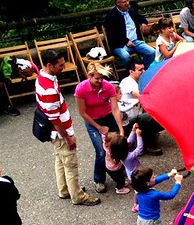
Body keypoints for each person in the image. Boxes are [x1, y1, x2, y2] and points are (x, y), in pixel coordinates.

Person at [36, 50, 100, 206]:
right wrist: (67, 136)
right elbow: (54, 119)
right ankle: (77, 196)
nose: (63, 67)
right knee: (70, 163)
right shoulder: (49, 89)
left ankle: (64, 189)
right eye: (60, 65)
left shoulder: (43, 78)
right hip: (60, 132)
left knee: (60, 160)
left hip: (54, 134)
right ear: (50, 65)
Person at [74, 64, 123, 194]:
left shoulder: (107, 86)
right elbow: (82, 113)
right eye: (97, 79)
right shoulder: (81, 89)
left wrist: (121, 129)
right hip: (92, 121)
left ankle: (119, 172)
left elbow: (115, 109)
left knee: (117, 145)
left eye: (102, 78)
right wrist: (99, 127)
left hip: (108, 117)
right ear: (89, 76)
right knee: (101, 151)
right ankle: (99, 179)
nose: (100, 81)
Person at [118, 60, 163, 154]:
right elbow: (142, 96)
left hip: (136, 117)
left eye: (144, 69)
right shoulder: (127, 82)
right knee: (149, 118)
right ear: (131, 72)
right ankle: (147, 146)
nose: (143, 71)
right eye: (140, 70)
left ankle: (149, 134)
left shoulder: (140, 81)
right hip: (128, 123)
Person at [103, 0, 154, 68]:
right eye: (124, 2)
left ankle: (141, 69)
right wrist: (126, 41)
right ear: (118, 3)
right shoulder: (111, 16)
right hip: (120, 45)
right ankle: (132, 73)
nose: (127, 3)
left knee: (152, 52)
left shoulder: (131, 10)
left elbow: (141, 17)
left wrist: (143, 23)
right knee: (125, 56)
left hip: (136, 42)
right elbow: (113, 35)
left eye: (127, 1)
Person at [102, 130, 135, 194]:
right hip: (114, 169)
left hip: (109, 167)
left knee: (119, 176)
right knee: (120, 179)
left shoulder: (106, 145)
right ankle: (119, 188)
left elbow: (104, 138)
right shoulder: (113, 153)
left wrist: (104, 134)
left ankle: (120, 183)